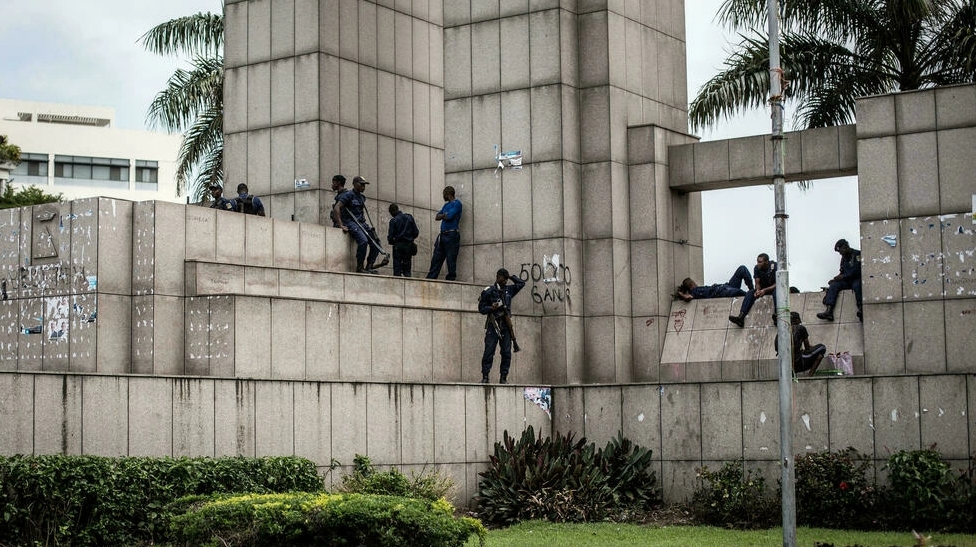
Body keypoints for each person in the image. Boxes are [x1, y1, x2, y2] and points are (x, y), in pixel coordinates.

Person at [332, 175, 389, 274]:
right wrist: (341, 224)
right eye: (361, 184)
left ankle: (369, 267)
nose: (363, 187)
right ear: (354, 184)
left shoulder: (362, 197)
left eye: (364, 185)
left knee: (376, 243)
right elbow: (337, 207)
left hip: (362, 223)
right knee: (363, 241)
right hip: (351, 222)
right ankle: (360, 267)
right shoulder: (348, 195)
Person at [478, 268, 526, 384]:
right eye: (502, 279)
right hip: (493, 325)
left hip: (506, 326)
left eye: (506, 279)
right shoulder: (489, 291)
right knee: (489, 351)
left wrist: (510, 277)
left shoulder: (509, 290)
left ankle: (503, 377)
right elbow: (481, 308)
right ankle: (485, 376)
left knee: (506, 353)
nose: (504, 282)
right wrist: (492, 308)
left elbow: (521, 283)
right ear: (497, 277)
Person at [817, 238, 863, 322]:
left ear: (845, 247)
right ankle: (829, 311)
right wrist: (835, 279)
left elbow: (858, 270)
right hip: (847, 281)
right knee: (834, 285)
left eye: (840, 251)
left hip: (856, 279)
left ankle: (861, 309)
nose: (840, 253)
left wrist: (844, 276)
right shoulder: (843, 259)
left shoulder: (857, 254)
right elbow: (842, 271)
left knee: (857, 285)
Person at [729, 253, 777, 327]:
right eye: (757, 261)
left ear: (766, 262)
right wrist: (758, 290)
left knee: (777, 292)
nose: (758, 264)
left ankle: (777, 315)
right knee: (750, 293)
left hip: (772, 288)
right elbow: (757, 282)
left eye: (760, 262)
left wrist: (764, 290)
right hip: (762, 290)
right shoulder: (757, 268)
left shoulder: (774, 266)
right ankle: (741, 317)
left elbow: (778, 284)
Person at [426, 186, 462, 280]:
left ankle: (450, 279)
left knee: (451, 258)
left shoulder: (457, 204)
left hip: (452, 234)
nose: (443, 196)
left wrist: (443, 215)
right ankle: (431, 278)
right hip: (443, 235)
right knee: (436, 258)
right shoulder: (446, 205)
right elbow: (437, 217)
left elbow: (449, 216)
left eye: (444, 194)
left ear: (448, 194)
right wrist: (443, 215)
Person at [775, 312, 827, 376]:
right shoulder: (800, 328)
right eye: (799, 319)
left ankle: (791, 374)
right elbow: (807, 348)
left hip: (785, 365)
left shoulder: (781, 331)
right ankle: (809, 376)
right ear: (797, 320)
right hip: (798, 362)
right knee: (822, 348)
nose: (800, 321)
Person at [676, 265, 754, 302]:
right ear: (691, 284)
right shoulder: (694, 293)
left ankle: (752, 290)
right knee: (738, 292)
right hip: (722, 292)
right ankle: (752, 295)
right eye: (693, 282)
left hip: (726, 286)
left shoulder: (698, 290)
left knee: (742, 269)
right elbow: (687, 298)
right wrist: (680, 293)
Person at [387, 203, 420, 277]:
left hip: (398, 246)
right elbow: (416, 232)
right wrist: (410, 239)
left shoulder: (393, 221)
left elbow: (390, 237)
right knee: (407, 269)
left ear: (392, 211)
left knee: (397, 270)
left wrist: (393, 241)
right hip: (408, 245)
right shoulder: (409, 217)